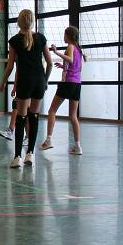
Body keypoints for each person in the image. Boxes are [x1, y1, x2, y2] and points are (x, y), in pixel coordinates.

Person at [0, 9, 52, 168]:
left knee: (21, 119)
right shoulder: (41, 38)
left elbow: (9, 67)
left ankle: (17, 157)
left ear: (18, 22)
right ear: (33, 21)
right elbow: (49, 63)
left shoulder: (14, 40)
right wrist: (46, 80)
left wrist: (2, 82)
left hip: (25, 82)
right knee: (34, 117)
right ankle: (30, 154)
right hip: (39, 81)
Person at [41, 26, 86, 155]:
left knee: (52, 111)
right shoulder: (79, 50)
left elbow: (71, 59)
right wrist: (64, 66)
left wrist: (55, 52)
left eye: (64, 34)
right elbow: (78, 68)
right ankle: (77, 146)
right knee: (73, 116)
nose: (63, 36)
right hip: (77, 84)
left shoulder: (71, 47)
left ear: (69, 36)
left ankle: (48, 140)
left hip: (68, 83)